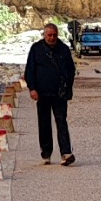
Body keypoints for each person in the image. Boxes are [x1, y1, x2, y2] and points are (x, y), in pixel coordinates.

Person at [23, 19, 76, 164]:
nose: (52, 38)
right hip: (42, 93)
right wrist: (32, 88)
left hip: (59, 93)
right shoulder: (36, 49)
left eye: (54, 35)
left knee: (61, 122)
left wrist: (68, 87)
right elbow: (30, 70)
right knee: (44, 123)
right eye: (49, 35)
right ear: (44, 35)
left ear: (57, 35)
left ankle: (66, 153)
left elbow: (71, 70)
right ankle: (46, 153)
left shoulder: (64, 49)